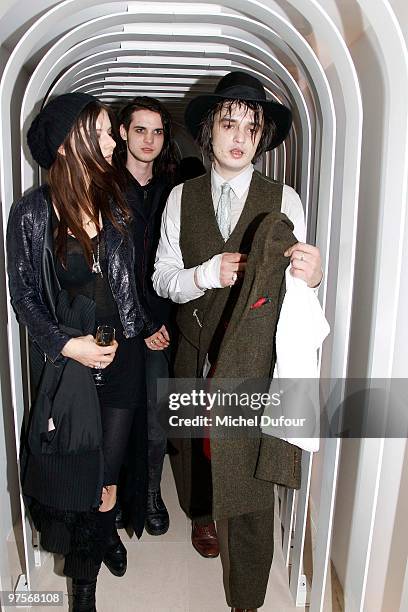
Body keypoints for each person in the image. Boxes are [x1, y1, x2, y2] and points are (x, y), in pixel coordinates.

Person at [152, 71, 325, 611]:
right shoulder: (180, 198)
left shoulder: (285, 199)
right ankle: (202, 516)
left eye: (252, 128)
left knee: (250, 477)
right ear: (210, 132)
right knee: (194, 454)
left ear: (261, 139)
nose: (240, 136)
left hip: (254, 360)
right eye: (229, 123)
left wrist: (314, 274)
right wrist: (206, 273)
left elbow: (298, 284)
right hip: (194, 350)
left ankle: (246, 597)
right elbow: (162, 279)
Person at [7, 93, 165, 612]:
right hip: (69, 367)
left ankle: (86, 588)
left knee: (105, 484)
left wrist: (146, 328)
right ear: (71, 140)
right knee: (75, 483)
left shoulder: (116, 197)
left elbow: (131, 280)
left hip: (120, 361)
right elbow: (25, 296)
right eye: (100, 132)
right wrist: (66, 344)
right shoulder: (31, 213)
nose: (110, 139)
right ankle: (82, 578)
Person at [117, 96, 179, 535]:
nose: (149, 140)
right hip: (116, 321)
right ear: (124, 133)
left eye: (157, 131)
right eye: (141, 130)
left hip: (160, 321)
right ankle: (116, 496)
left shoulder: (174, 192)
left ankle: (152, 493)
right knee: (118, 414)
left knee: (156, 416)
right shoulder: (103, 187)